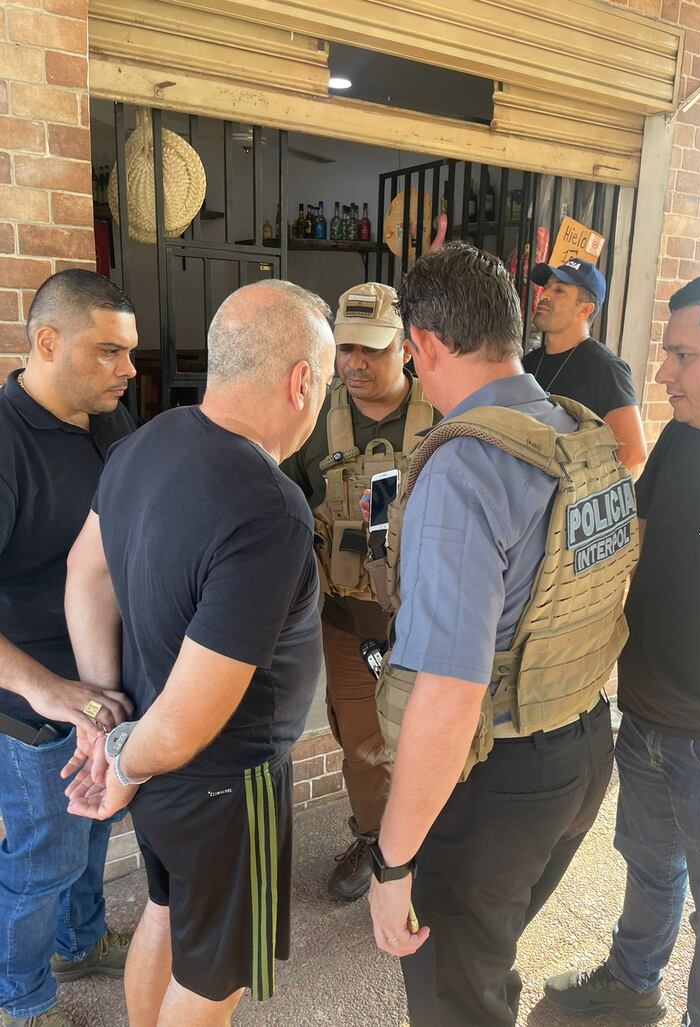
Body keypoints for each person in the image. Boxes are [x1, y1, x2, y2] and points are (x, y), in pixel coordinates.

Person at [365, 242, 638, 1026]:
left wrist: (392, 861)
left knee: (455, 994)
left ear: (422, 344)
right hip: (582, 746)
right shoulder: (575, 430)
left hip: (497, 776)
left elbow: (450, 693)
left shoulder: (465, 466)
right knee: (486, 958)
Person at [63, 280, 336, 1027]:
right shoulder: (270, 507)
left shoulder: (141, 445)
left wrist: (106, 714)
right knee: (216, 975)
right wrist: (121, 761)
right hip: (225, 782)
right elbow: (188, 722)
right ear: (301, 381)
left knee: (165, 908)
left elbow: (85, 573)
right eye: (326, 382)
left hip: (158, 766)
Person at [544, 267, 700, 1027]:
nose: (663, 373)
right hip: (642, 719)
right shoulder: (680, 438)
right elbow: (630, 544)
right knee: (647, 869)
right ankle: (632, 986)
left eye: (683, 355)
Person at [0, 270, 137, 1027]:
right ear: (47, 342)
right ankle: (21, 999)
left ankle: (78, 944)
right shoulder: (5, 442)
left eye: (130, 351)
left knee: (90, 838)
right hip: (34, 707)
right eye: (109, 351)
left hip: (103, 687)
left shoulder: (109, 421)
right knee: (40, 864)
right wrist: (47, 689)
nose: (128, 369)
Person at [282, 281, 436, 901]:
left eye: (372, 348)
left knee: (446, 737)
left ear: (406, 347)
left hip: (434, 622)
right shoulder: (313, 421)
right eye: (345, 348)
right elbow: (281, 512)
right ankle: (377, 843)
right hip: (350, 622)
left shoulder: (447, 415)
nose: (355, 363)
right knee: (362, 745)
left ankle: (435, 847)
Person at [524, 257, 646, 469]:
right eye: (546, 287)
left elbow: (632, 453)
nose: (544, 295)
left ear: (585, 310)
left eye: (559, 290)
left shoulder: (605, 368)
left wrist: (576, 484)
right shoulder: (528, 363)